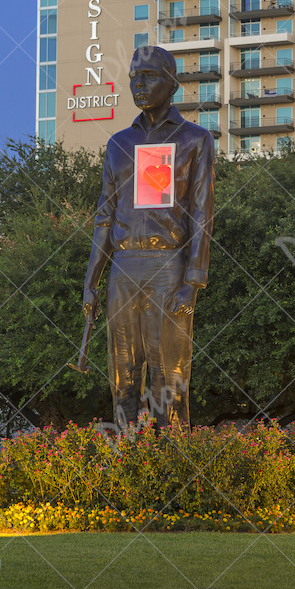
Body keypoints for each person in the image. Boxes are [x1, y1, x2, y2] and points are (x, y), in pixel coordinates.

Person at [82, 45, 215, 429]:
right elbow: (104, 216)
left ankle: (170, 458)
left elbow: (203, 214)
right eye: (133, 77)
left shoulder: (195, 139)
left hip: (169, 267)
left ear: (172, 83)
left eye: (149, 76)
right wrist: (91, 280)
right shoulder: (119, 144)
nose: (138, 84)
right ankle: (124, 456)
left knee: (168, 377)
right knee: (122, 377)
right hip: (123, 269)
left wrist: (193, 280)